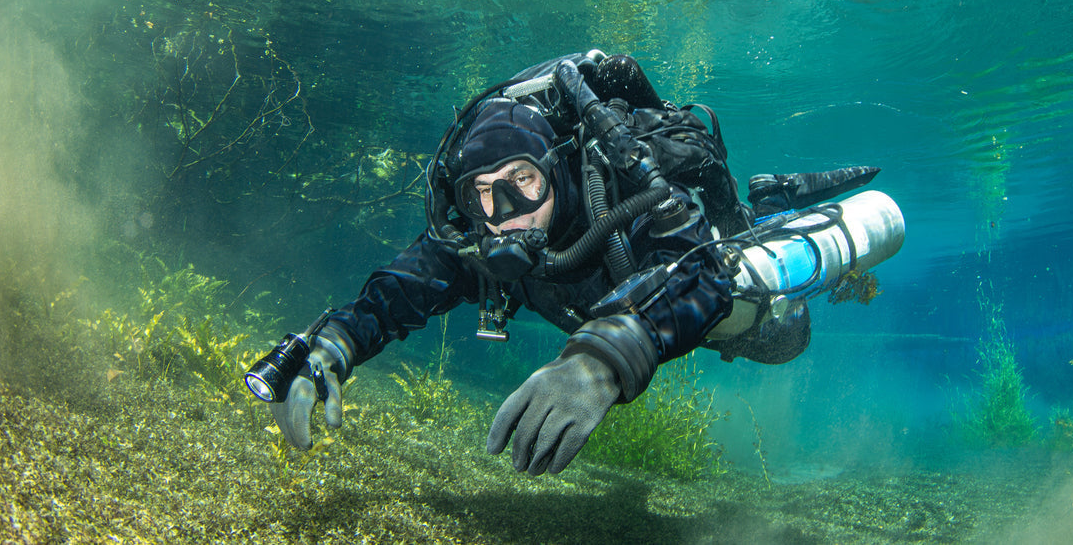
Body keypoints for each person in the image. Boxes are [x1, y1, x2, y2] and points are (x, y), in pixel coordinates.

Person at [246, 51, 896, 476]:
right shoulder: (482, 238)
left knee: (782, 339)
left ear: (554, 170)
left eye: (522, 182)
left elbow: (701, 277)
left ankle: (783, 216)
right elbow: (403, 289)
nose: (505, 213)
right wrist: (336, 341)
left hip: (707, 297)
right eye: (483, 194)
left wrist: (604, 359)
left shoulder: (622, 193)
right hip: (620, 308)